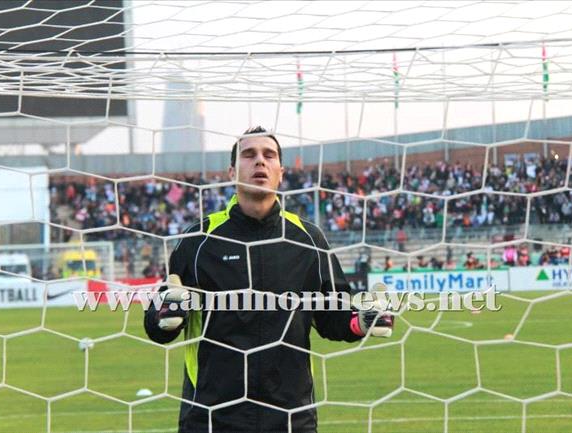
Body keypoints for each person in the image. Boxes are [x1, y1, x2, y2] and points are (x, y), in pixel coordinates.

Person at [144, 126, 393, 433]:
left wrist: (362, 321)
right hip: (212, 418)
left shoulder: (307, 239)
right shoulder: (199, 240)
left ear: (281, 172)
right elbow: (159, 322)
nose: (260, 161)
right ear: (232, 172)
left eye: (269, 155)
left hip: (290, 418)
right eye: (249, 155)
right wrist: (163, 317)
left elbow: (332, 317)